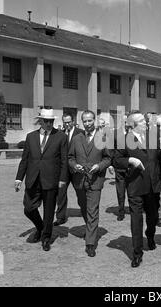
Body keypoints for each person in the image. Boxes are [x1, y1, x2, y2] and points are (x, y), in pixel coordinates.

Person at [114, 111, 161, 268]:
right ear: (133, 125)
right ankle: (137, 253)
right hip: (135, 185)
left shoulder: (153, 136)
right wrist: (130, 160)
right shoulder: (124, 139)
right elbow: (116, 160)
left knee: (153, 216)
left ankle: (150, 234)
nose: (145, 122)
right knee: (136, 220)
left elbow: (157, 157)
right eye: (142, 121)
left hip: (153, 185)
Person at [14, 108, 68, 252]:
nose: (49, 124)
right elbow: (25, 159)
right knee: (28, 208)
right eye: (46, 121)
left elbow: (64, 161)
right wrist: (19, 178)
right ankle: (40, 227)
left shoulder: (61, 137)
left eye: (51, 121)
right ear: (40, 121)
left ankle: (46, 238)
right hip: (33, 179)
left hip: (51, 180)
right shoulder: (30, 137)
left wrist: (63, 179)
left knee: (49, 212)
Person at [68, 110, 111, 257]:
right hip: (79, 181)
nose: (87, 124)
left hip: (95, 180)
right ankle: (90, 229)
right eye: (85, 121)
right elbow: (70, 158)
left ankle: (90, 243)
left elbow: (108, 159)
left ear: (95, 121)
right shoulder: (76, 139)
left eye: (90, 121)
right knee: (84, 207)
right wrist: (74, 166)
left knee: (92, 211)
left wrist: (99, 166)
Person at [54, 113, 84, 226]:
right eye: (65, 122)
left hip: (76, 169)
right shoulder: (60, 134)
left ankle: (85, 211)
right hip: (63, 171)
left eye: (69, 122)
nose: (67, 124)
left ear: (73, 121)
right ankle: (60, 217)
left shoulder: (81, 132)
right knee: (60, 193)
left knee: (81, 193)